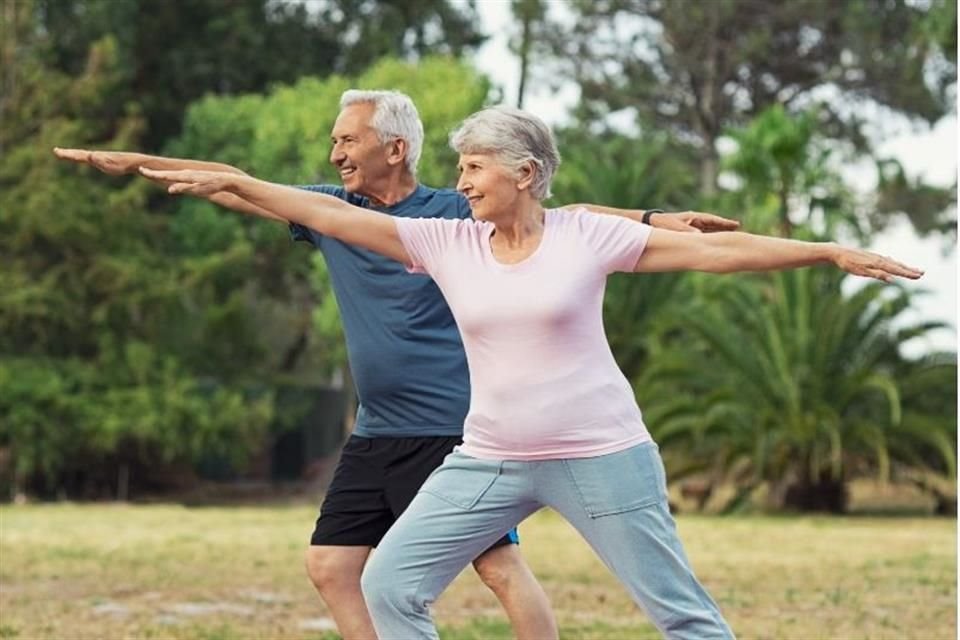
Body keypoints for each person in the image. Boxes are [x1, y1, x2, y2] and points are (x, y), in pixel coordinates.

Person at [137, 105, 922, 639]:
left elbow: (717, 254)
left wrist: (823, 251)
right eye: (461, 166)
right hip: (491, 457)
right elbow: (335, 215)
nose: (465, 180)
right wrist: (238, 181)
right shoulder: (449, 244)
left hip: (599, 454)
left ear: (526, 173)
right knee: (389, 588)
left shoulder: (585, 236)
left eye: (476, 166)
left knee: (682, 617)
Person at [54, 90, 740, 639]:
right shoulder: (334, 210)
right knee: (331, 565)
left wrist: (653, 217)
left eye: (348, 140)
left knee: (499, 570)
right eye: (335, 143)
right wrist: (140, 162)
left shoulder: (450, 214)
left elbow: (562, 215)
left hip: (452, 427)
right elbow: (240, 187)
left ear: (396, 147)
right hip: (378, 428)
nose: (336, 153)